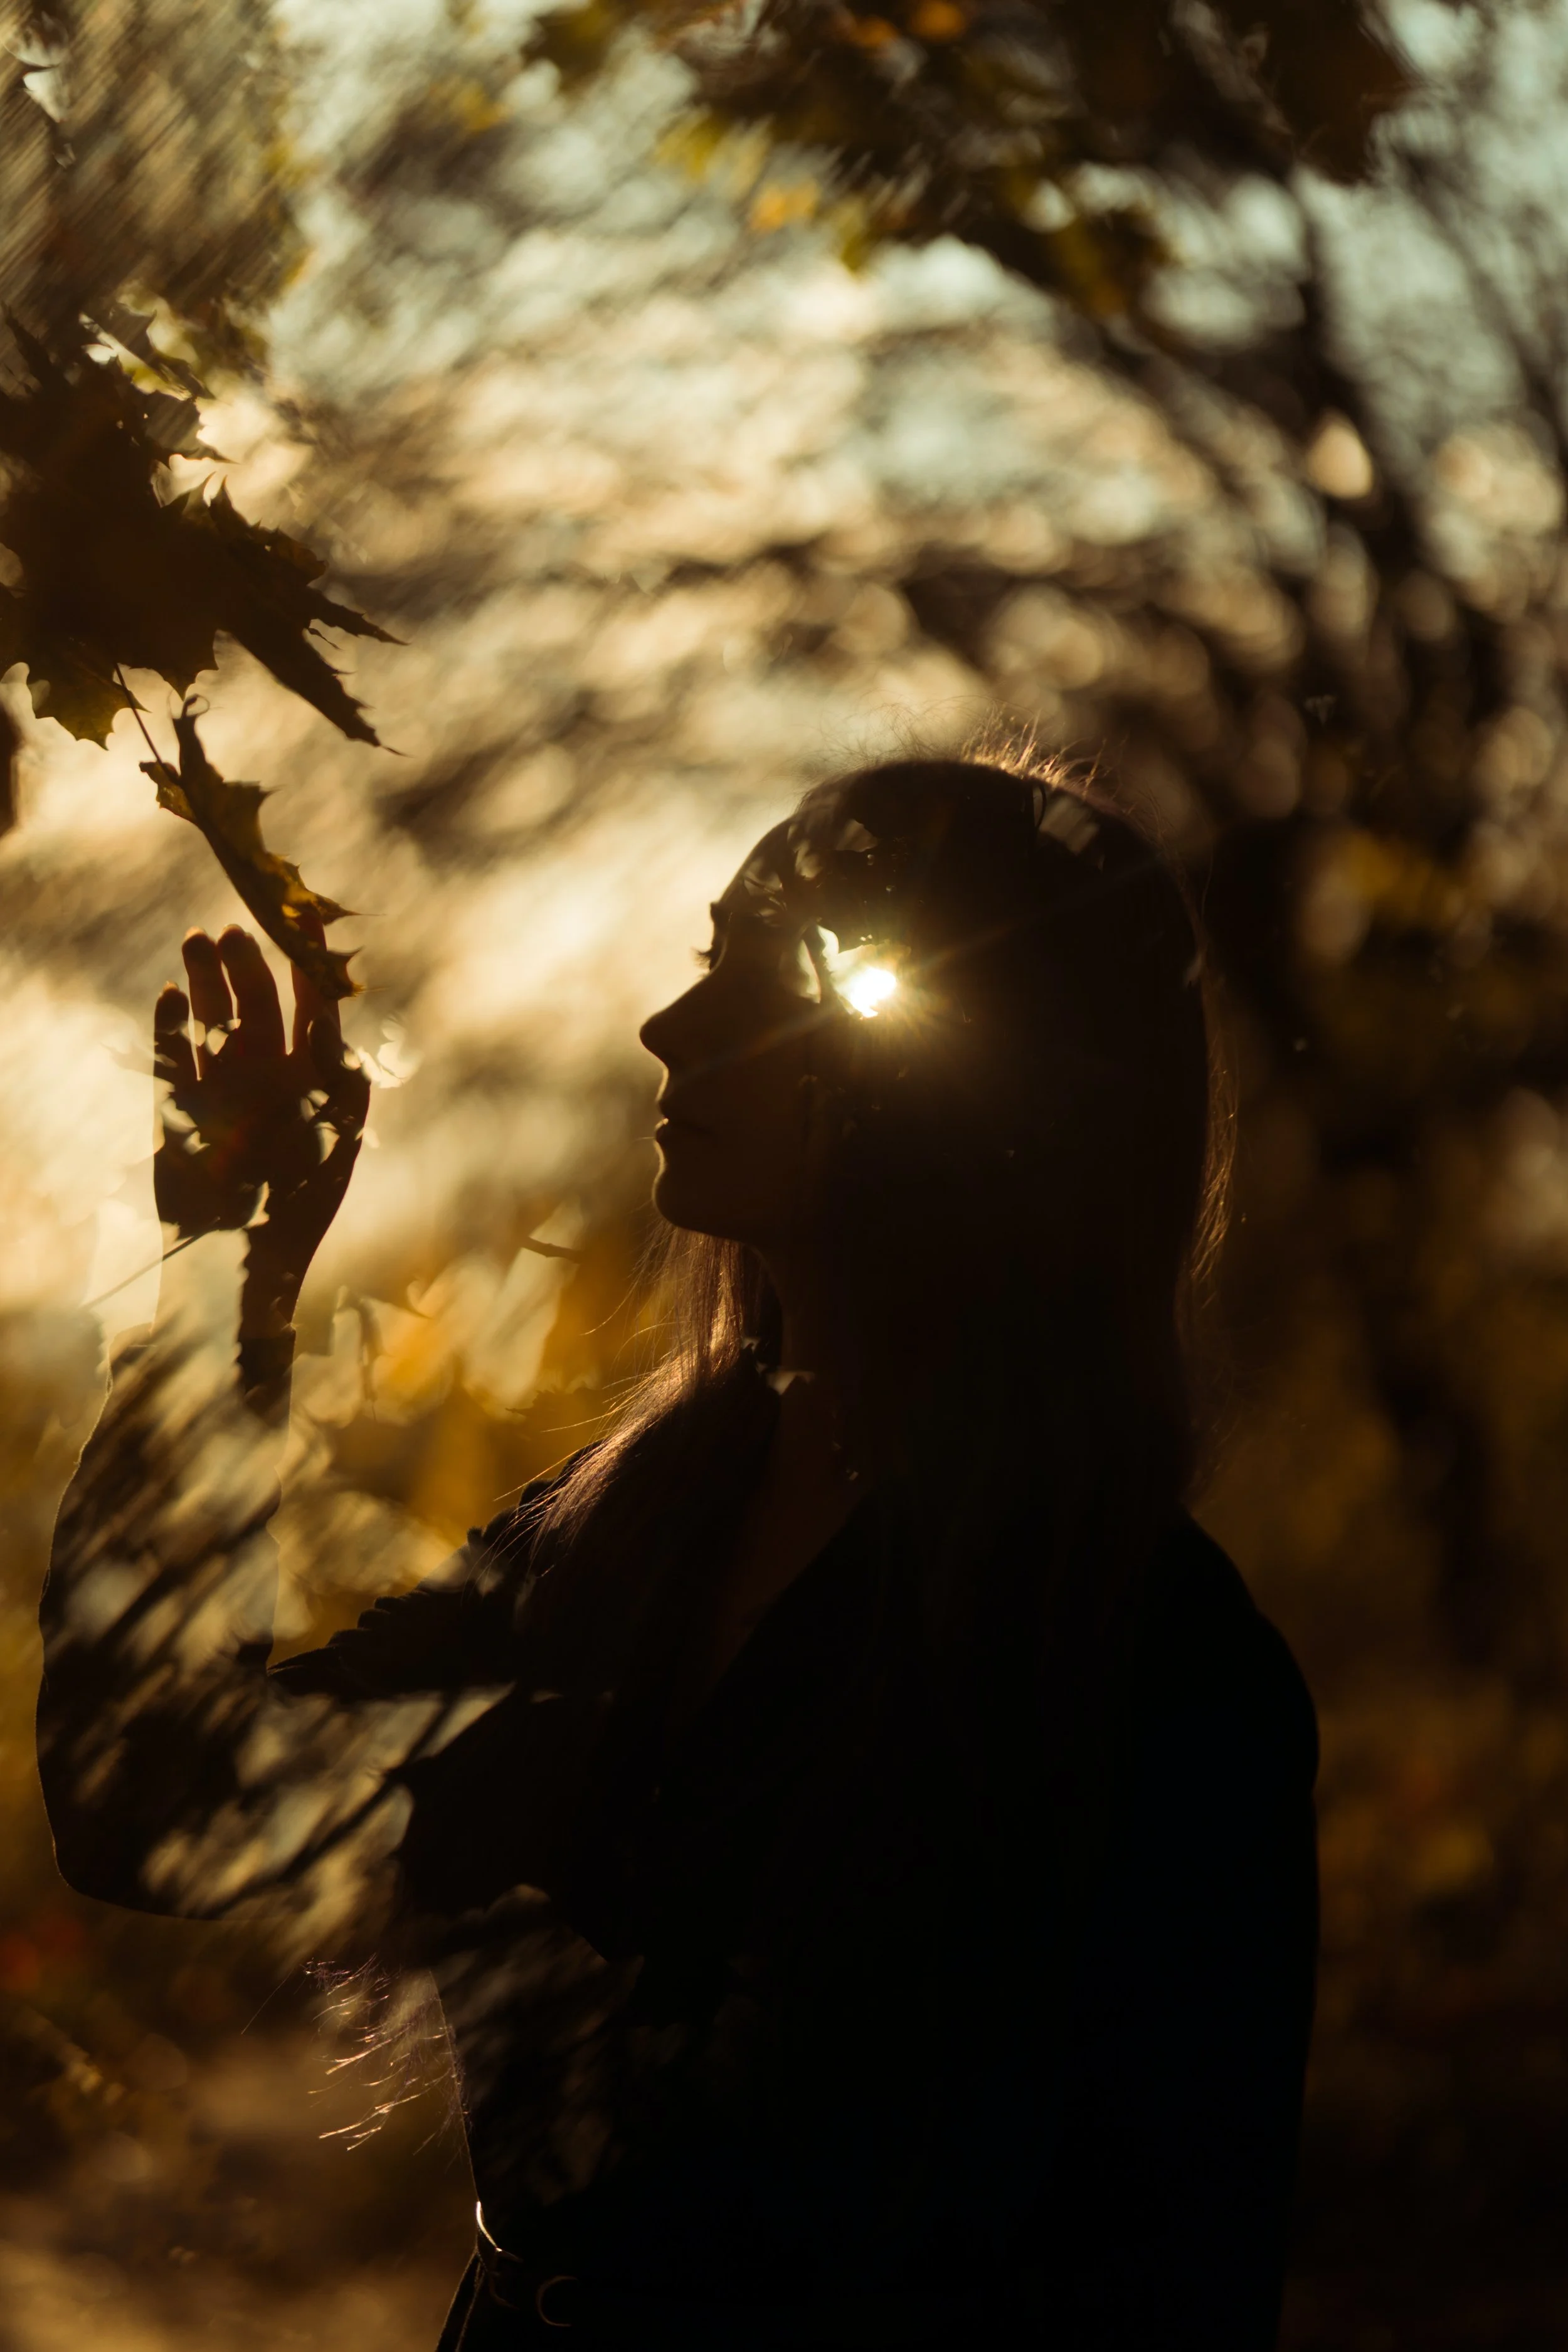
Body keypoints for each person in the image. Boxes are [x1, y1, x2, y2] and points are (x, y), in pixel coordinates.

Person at [38, 755, 1318, 2348]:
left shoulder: (1157, 1673)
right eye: (708, 959)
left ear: (989, 1082)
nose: (671, 1027)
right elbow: (156, 1800)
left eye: (777, 979)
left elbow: (1172, 2288)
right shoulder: (608, 1544)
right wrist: (223, 1279)